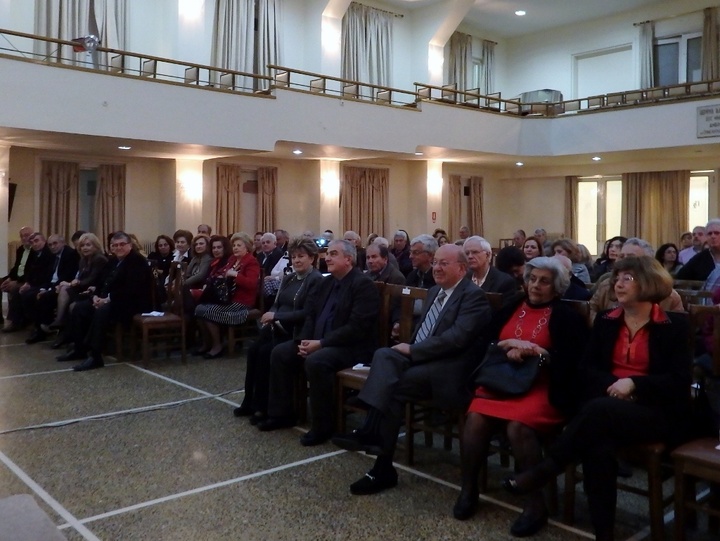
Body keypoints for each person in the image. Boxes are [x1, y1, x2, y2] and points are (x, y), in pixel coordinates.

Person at [503, 256, 692, 541]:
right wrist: (615, 386)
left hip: (654, 411)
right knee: (597, 444)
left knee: (596, 414)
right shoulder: (607, 320)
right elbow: (587, 369)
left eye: (628, 278)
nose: (618, 283)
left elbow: (679, 381)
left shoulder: (674, 325)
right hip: (607, 407)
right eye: (617, 278)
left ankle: (545, 470)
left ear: (649, 283)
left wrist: (635, 384)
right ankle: (604, 533)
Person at [331, 244, 491, 495]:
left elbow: (456, 339)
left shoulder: (473, 296)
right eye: (435, 262)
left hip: (449, 367)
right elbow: (425, 330)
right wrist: (411, 349)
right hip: (423, 360)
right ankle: (375, 446)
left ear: (461, 269)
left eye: (444, 263)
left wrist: (413, 350)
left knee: (393, 388)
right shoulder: (435, 291)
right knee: (384, 354)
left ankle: (379, 457)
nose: (436, 268)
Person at [452, 257, 589, 536]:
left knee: (518, 426)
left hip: (543, 387)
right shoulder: (511, 306)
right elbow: (485, 341)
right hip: (501, 382)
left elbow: (576, 361)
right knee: (476, 418)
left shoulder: (566, 316)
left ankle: (535, 503)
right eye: (532, 279)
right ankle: (469, 489)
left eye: (544, 281)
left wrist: (540, 353)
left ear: (557, 287)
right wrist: (506, 345)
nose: (536, 285)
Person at [258, 239, 380, 446]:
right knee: (280, 352)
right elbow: (311, 315)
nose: (327, 258)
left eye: (333, 254)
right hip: (321, 341)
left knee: (317, 361)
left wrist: (321, 343)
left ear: (348, 259)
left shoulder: (362, 285)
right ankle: (282, 414)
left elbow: (356, 328)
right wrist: (305, 341)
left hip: (351, 347)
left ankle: (323, 426)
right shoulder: (327, 282)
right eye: (328, 254)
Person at [233, 237, 323, 425]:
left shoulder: (315, 280)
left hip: (295, 331)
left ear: (312, 258)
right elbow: (277, 303)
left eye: (301, 256)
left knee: (266, 353)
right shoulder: (289, 278)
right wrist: (271, 315)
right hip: (278, 328)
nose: (296, 260)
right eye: (294, 257)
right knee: (254, 350)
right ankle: (251, 401)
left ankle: (267, 408)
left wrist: (277, 316)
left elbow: (308, 313)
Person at [57, 231, 154, 371]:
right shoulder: (113, 261)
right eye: (115, 245)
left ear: (130, 245)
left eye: (122, 244)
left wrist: (107, 299)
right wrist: (96, 296)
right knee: (79, 307)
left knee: (102, 311)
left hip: (133, 303)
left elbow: (132, 289)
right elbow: (101, 281)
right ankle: (79, 349)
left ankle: (95, 356)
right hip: (114, 300)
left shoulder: (137, 261)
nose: (119, 248)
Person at [194, 232, 260, 359]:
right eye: (234, 245)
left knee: (207, 311)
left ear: (246, 247)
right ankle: (207, 344)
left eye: (239, 245)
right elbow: (223, 273)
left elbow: (252, 284)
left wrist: (235, 275)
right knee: (199, 308)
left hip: (242, 302)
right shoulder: (232, 259)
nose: (235, 248)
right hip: (227, 298)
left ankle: (217, 346)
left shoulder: (251, 262)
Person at [589, 238, 684, 322]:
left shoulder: (669, 296)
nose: (624, 261)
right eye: (621, 256)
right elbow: (592, 308)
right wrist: (604, 326)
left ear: (648, 262)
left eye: (631, 257)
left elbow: (677, 326)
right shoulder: (606, 285)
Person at [47, 233, 108, 349]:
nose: (85, 248)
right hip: (84, 288)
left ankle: (69, 335)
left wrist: (73, 283)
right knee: (63, 289)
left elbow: (92, 279)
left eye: (88, 245)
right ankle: (60, 323)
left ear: (95, 246)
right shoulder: (83, 260)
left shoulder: (99, 259)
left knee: (72, 305)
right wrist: (71, 283)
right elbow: (80, 277)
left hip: (94, 290)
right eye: (82, 245)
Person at [25, 234, 80, 344]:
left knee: (44, 297)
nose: (52, 246)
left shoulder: (69, 254)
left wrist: (49, 289)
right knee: (29, 295)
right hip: (53, 284)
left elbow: (66, 276)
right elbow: (48, 276)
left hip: (63, 286)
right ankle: (39, 326)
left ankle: (43, 330)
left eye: (55, 243)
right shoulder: (53, 255)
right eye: (50, 245)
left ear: (63, 243)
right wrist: (44, 288)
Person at [463, 236, 516, 303]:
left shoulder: (504, 282)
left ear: (487, 255)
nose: (470, 256)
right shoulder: (463, 279)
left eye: (475, 252)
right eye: (467, 253)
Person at [148, 234, 175, 304]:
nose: (163, 247)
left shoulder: (174, 257)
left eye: (165, 245)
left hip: (166, 280)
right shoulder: (152, 255)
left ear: (170, 245)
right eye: (160, 245)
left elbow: (169, 272)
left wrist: (159, 271)